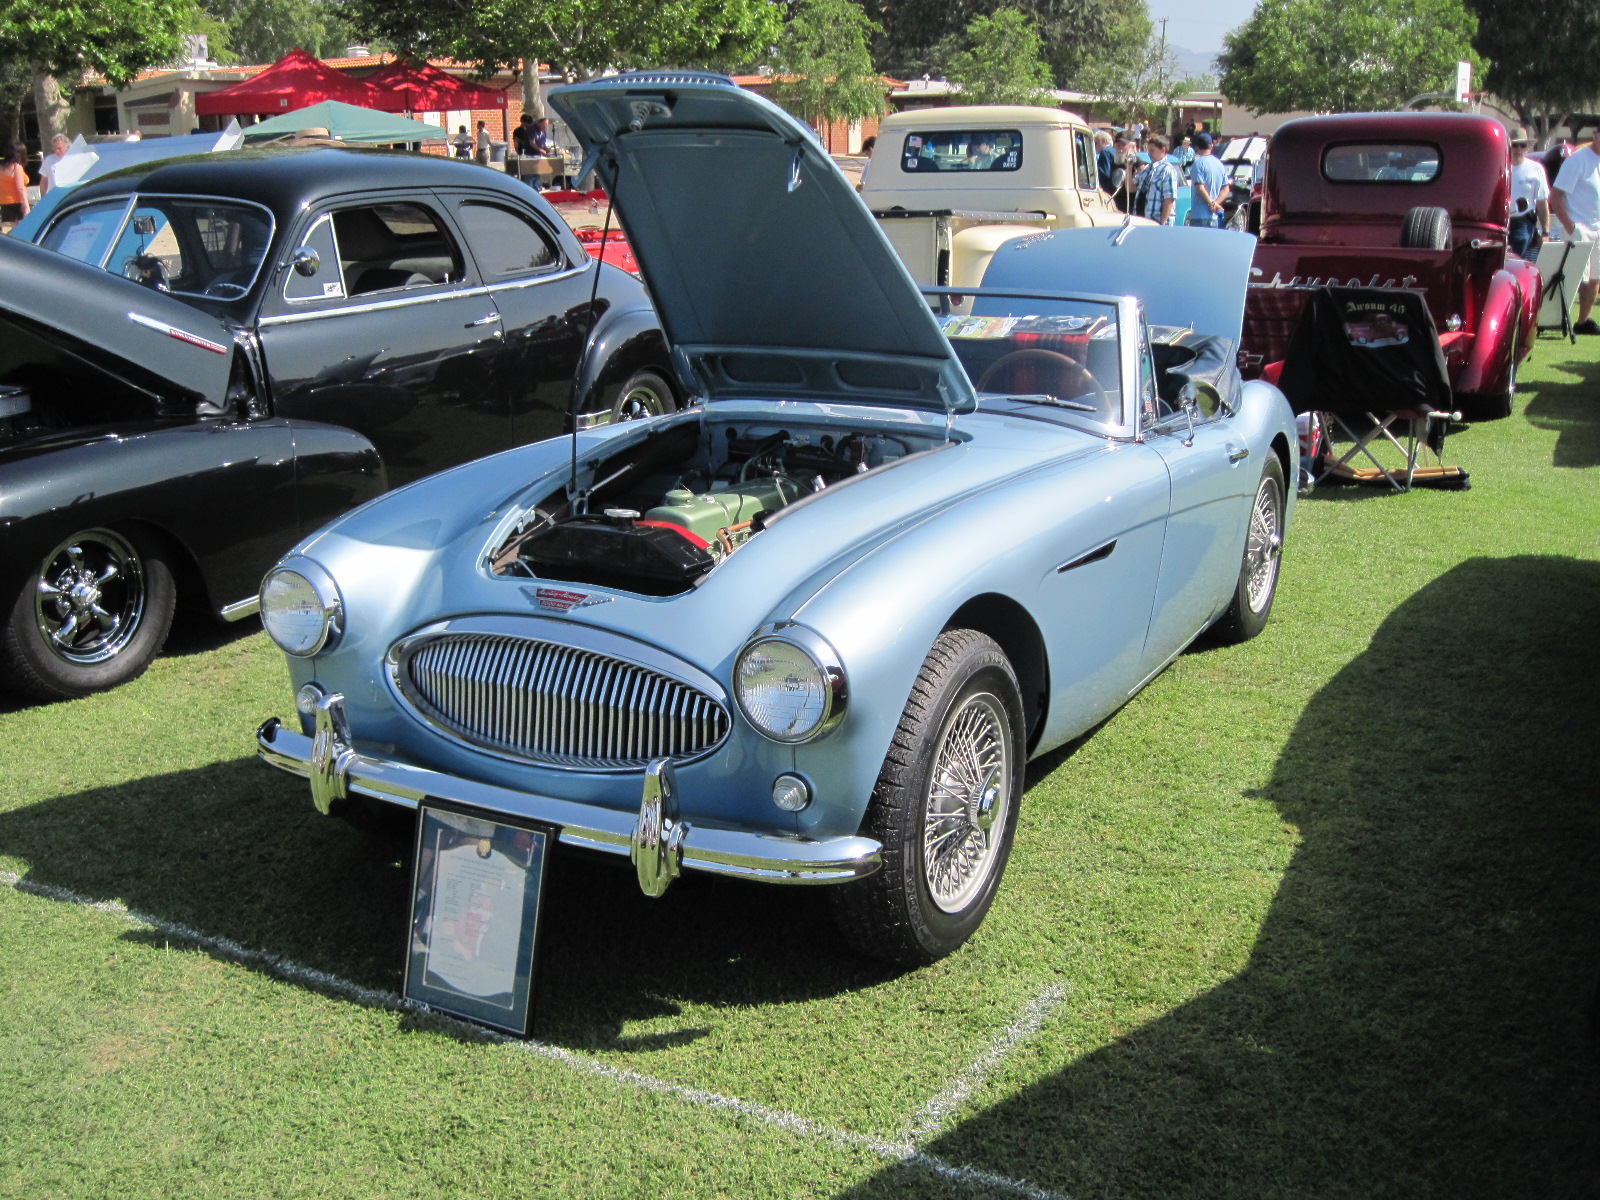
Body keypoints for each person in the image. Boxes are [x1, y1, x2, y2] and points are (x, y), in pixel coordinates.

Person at [1551, 126, 1600, 334]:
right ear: (1596, 135)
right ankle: (1558, 318)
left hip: (1597, 227)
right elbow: (1555, 195)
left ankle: (1583, 321)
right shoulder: (1578, 160)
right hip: (1578, 226)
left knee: (1595, 277)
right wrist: (1570, 226)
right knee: (1576, 277)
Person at [1508, 126, 1550, 261]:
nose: (1519, 149)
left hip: (1523, 221)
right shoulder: (1500, 166)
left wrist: (1545, 232)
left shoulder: (1536, 169)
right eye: (1515, 145)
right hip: (1500, 221)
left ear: (1527, 148)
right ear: (1508, 146)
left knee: (1518, 255)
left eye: (1523, 145)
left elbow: (1542, 203)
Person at [1134, 133, 1182, 224]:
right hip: (1143, 220)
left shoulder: (1168, 171)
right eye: (1148, 150)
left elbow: (1169, 199)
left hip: (1158, 222)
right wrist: (1129, 167)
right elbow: (1132, 188)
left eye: (1152, 151)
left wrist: (1162, 223)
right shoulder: (1147, 169)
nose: (1149, 154)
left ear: (1163, 150)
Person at [1187, 132, 1229, 227]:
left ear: (1197, 147)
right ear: (1211, 146)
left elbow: (1200, 188)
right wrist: (1215, 203)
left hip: (1199, 216)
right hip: (1215, 217)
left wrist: (1211, 203)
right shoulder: (1219, 164)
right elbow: (1226, 189)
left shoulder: (1197, 164)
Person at [0, 142, 29, 233]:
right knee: (22, 230)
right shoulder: (17, 167)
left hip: (5, 202)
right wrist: (26, 206)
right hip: (17, 201)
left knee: (13, 229)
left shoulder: (2, 167)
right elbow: (20, 188)